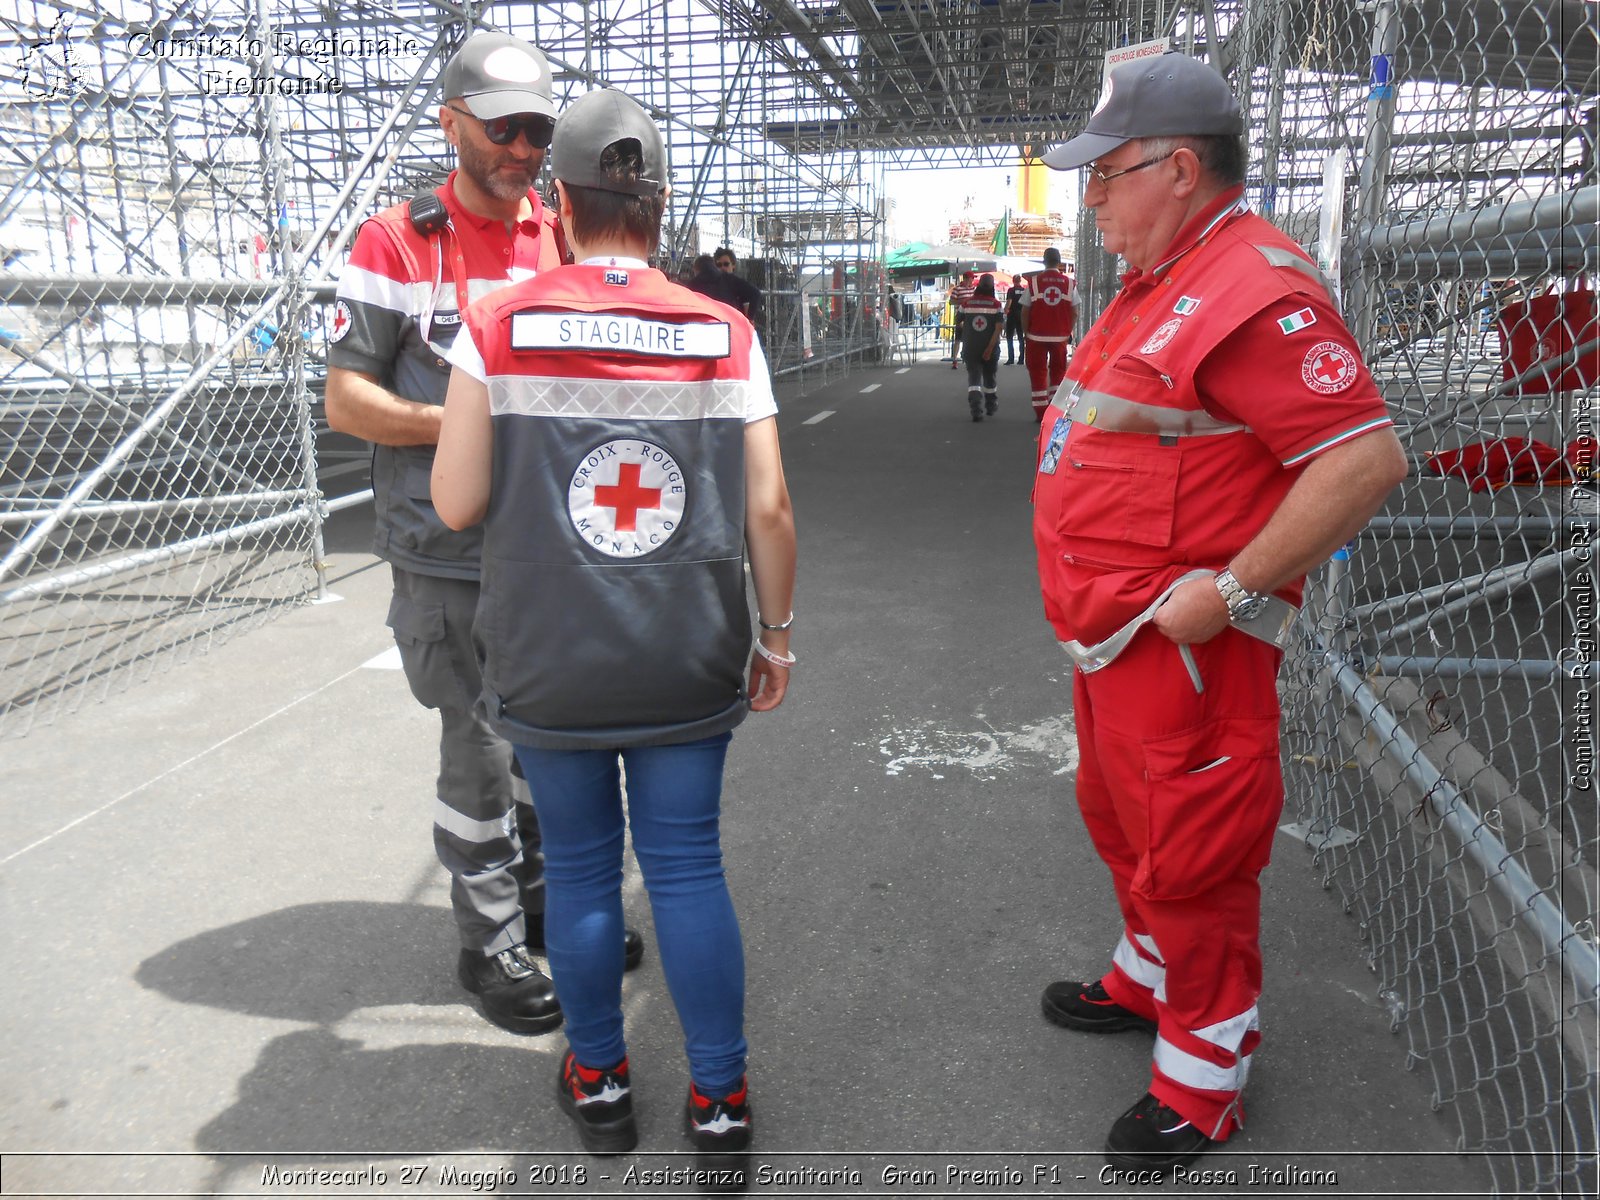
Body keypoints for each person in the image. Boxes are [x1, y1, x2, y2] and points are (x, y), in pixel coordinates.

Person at [1032, 52, 1407, 1171]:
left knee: (1191, 852)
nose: (1089, 197)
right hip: (1120, 643)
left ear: (1178, 168)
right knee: (1123, 819)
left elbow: (1364, 461)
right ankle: (1146, 980)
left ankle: (1203, 1079)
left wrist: (1233, 587)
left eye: (1105, 175)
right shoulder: (1167, 275)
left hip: (1184, 650)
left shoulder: (1252, 287)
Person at [432, 87, 797, 1156]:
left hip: (552, 661)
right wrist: (774, 636)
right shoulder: (722, 329)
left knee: (585, 872)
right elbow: (768, 507)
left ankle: (598, 1084)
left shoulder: (496, 323)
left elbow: (456, 502)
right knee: (685, 867)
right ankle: (720, 1104)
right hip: (685, 653)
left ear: (558, 196)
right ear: (663, 204)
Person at [325, 31, 643, 1038]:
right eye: (503, 128)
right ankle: (489, 942)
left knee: (542, 739)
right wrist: (463, 422)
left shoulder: (556, 234)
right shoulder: (396, 242)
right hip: (446, 552)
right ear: (450, 121)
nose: (521, 149)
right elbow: (347, 400)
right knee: (476, 747)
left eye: (538, 133)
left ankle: (542, 906)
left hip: (546, 549)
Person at [1020, 246, 1076, 421]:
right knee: (1058, 372)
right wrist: (1068, 330)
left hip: (1036, 335)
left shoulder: (1034, 282)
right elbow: (1075, 312)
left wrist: (1025, 331)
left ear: (1043, 262)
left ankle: (1040, 412)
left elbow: (1025, 311)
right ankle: (1055, 408)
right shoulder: (1069, 284)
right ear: (1059, 262)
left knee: (1038, 372)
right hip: (1059, 335)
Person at [958, 273, 1004, 420]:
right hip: (990, 347)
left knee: (974, 376)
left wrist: (968, 333)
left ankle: (975, 408)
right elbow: (998, 328)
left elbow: (959, 322)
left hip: (970, 347)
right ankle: (991, 405)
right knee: (990, 376)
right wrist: (990, 348)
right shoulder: (997, 305)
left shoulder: (965, 304)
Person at [712, 246, 766, 327]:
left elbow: (755, 293)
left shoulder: (735, 282)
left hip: (734, 323)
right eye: (719, 265)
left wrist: (749, 318)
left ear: (733, 265)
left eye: (726, 264)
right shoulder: (713, 282)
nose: (722, 268)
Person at [949, 268, 978, 369]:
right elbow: (951, 302)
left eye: (972, 279)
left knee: (971, 337)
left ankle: (967, 356)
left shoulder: (974, 289)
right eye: (971, 279)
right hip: (961, 314)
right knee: (958, 337)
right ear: (966, 279)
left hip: (971, 315)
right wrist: (963, 302)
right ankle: (954, 359)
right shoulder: (957, 289)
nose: (972, 281)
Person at [1004, 277, 1026, 364]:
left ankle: (1011, 358)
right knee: (1021, 337)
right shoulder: (1024, 290)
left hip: (1012, 315)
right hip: (1021, 315)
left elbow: (1009, 301)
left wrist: (1006, 309)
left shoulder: (1011, 290)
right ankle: (1021, 359)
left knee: (1009, 337)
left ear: (1013, 281)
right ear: (1020, 281)